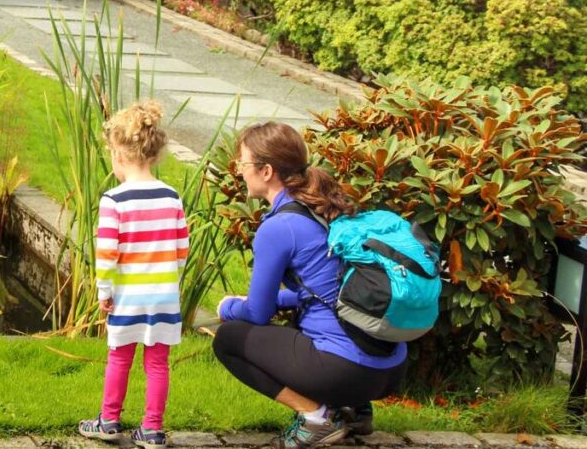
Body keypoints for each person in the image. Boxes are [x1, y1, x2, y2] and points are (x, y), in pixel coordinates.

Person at [213, 122, 407, 448]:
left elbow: (257, 315)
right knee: (310, 319)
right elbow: (323, 290)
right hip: (392, 367)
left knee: (228, 339)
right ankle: (354, 412)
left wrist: (229, 306)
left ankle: (316, 417)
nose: (239, 171)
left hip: (344, 370)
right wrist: (282, 300)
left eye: (243, 164)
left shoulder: (279, 228)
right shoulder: (322, 205)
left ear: (266, 171)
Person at [77, 100, 188, 448]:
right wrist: (169, 279)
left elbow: (107, 254)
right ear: (154, 154)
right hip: (163, 294)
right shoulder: (172, 197)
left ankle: (109, 421)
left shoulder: (115, 200)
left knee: (119, 356)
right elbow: (181, 249)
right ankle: (152, 430)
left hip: (128, 297)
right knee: (158, 363)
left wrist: (103, 292)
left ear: (119, 155)